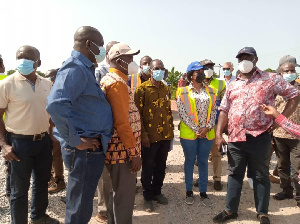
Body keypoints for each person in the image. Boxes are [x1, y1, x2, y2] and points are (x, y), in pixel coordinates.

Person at [213, 47, 300, 224]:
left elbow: (294, 95)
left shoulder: (270, 79)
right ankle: (230, 211)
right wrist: (218, 134)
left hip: (260, 136)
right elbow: (223, 110)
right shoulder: (233, 84)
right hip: (236, 138)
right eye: (241, 58)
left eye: (248, 57)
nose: (244, 61)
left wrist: (279, 119)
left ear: (256, 59)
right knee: (234, 174)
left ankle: (262, 213)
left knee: (261, 175)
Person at [46, 26, 113, 224]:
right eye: (100, 46)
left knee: (82, 201)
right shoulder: (75, 67)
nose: (102, 51)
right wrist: (75, 140)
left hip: (89, 148)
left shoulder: (84, 68)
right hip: (84, 151)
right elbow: (56, 104)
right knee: (79, 205)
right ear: (89, 44)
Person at [0, 46, 59, 224]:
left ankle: (38, 216)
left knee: (42, 182)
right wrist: (3, 144)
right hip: (19, 143)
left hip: (42, 141)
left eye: (28, 57)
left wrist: (51, 134)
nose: (23, 60)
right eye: (20, 57)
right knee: (19, 189)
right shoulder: (7, 84)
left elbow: (49, 111)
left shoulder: (46, 84)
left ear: (38, 62)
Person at [100, 42, 142, 224]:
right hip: (122, 152)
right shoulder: (116, 84)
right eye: (130, 58)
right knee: (124, 198)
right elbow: (122, 123)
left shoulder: (114, 80)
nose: (133, 62)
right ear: (119, 60)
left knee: (116, 194)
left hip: (118, 149)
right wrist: (134, 153)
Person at [135, 59, 174, 212]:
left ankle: (157, 192)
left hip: (165, 135)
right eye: (157, 68)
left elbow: (168, 111)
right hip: (149, 137)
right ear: (150, 70)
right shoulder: (142, 90)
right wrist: (143, 135)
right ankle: (147, 197)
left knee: (161, 166)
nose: (160, 70)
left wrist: (170, 132)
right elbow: (138, 115)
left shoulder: (165, 88)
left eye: (162, 68)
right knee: (148, 167)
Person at [176, 61, 217, 206]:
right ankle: (189, 191)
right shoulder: (182, 91)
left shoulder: (211, 90)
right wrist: (196, 129)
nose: (201, 73)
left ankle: (203, 192)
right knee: (189, 161)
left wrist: (206, 128)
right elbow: (182, 113)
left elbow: (213, 111)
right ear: (191, 75)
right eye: (198, 71)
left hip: (207, 133)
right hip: (189, 134)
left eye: (202, 71)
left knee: (203, 162)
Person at [94, 41, 119, 223]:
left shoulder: (122, 72)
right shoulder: (100, 71)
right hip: (104, 128)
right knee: (104, 174)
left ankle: (114, 207)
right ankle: (103, 210)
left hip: (119, 127)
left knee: (117, 169)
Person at [272, 62, 300, 207]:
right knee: (282, 166)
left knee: (297, 169)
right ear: (280, 74)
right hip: (279, 135)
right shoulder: (275, 91)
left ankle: (299, 196)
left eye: (292, 70)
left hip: (296, 136)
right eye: (287, 70)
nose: (290, 72)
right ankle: (286, 191)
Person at [201, 59, 226, 191]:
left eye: (211, 67)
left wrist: (223, 127)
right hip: (200, 125)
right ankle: (202, 178)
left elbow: (225, 106)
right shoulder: (195, 83)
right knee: (201, 154)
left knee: (216, 153)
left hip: (215, 123)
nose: (209, 69)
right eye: (206, 67)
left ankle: (217, 178)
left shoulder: (220, 83)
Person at [44, 69, 67, 194]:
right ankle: (55, 177)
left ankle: (60, 180)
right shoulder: (50, 88)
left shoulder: (60, 89)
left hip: (57, 128)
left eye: (50, 78)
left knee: (56, 155)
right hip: (50, 127)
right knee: (53, 155)